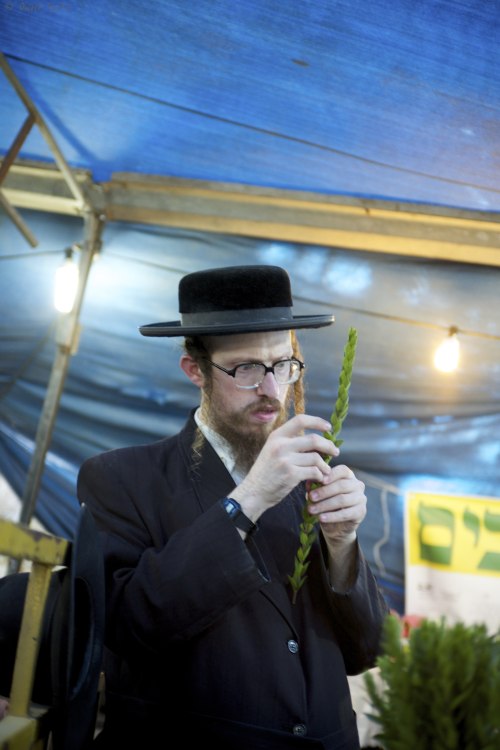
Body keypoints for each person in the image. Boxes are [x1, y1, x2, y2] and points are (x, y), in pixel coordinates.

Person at [77, 264, 389, 750]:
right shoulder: (120, 479)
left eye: (283, 365)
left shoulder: (310, 482)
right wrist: (247, 500)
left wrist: (344, 543)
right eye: (245, 368)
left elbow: (367, 650)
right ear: (195, 370)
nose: (270, 389)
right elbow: (130, 627)